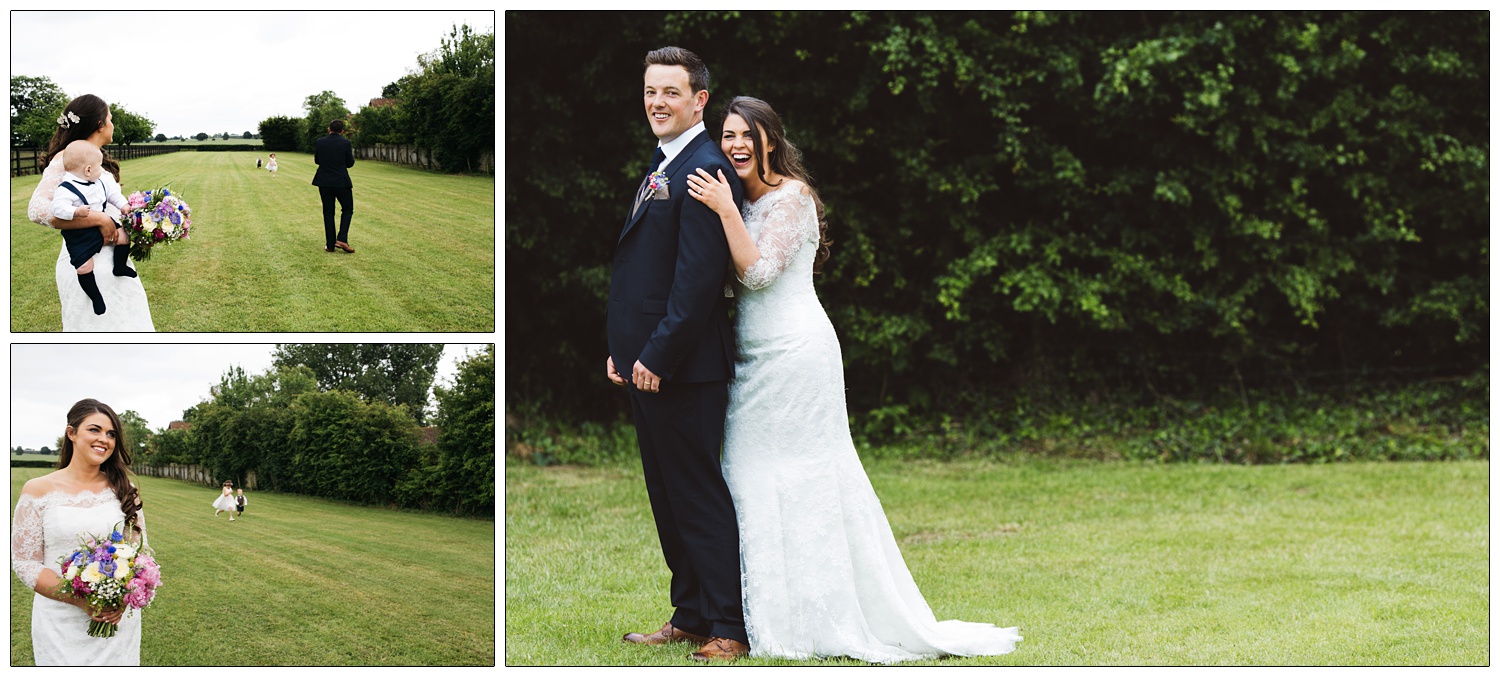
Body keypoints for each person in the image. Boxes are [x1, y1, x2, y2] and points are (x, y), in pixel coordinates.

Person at [685, 96, 1023, 663]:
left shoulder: (792, 198)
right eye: (727, 136)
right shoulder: (741, 202)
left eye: (747, 135)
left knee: (809, 479)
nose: (736, 145)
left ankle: (823, 619)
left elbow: (760, 272)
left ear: (771, 140)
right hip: (748, 361)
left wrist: (721, 209)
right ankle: (756, 617)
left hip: (797, 357)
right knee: (746, 477)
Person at [606, 46, 748, 662]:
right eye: (650, 91)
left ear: (699, 101)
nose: (657, 102)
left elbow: (695, 283)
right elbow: (644, 272)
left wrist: (658, 356)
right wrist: (624, 351)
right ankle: (688, 614)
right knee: (667, 495)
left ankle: (728, 627)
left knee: (697, 495)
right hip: (648, 364)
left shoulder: (705, 168)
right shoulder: (665, 161)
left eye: (670, 92)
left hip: (685, 369)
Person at [11, 399, 148, 665]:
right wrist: (80, 601)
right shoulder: (37, 490)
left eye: (111, 434)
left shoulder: (124, 488)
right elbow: (25, 563)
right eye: (94, 430)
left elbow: (138, 555)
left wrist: (122, 598)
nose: (104, 440)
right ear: (71, 433)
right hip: (60, 624)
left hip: (116, 622)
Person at [26, 94, 155, 331]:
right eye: (110, 118)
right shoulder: (66, 158)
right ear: (100, 124)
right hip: (87, 260)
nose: (113, 124)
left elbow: (109, 202)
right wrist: (98, 219)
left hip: (113, 259)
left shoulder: (95, 158)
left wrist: (144, 223)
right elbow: (37, 209)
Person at [50, 140, 135, 316]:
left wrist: (124, 206)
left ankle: (119, 266)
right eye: (99, 167)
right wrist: (75, 211)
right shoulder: (66, 188)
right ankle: (95, 297)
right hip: (79, 233)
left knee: (124, 237)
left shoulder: (98, 182)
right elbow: (57, 208)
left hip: (102, 224)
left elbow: (113, 195)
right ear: (88, 170)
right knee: (84, 267)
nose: (101, 171)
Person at [311, 119, 355, 253]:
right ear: (342, 131)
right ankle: (342, 238)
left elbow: (317, 160)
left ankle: (330, 245)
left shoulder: (320, 142)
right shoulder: (346, 143)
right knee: (347, 209)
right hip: (341, 181)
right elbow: (350, 163)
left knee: (328, 212)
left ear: (329, 129)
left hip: (324, 181)